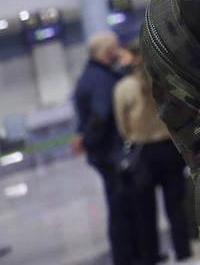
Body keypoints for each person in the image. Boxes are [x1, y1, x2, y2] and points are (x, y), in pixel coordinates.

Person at [113, 38, 191, 264]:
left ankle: (150, 257)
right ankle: (183, 253)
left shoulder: (124, 88)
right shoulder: (166, 79)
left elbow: (122, 126)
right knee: (176, 207)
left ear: (135, 57)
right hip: (170, 148)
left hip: (142, 154)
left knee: (144, 212)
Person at [72, 32, 135, 265]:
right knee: (120, 207)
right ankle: (126, 258)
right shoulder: (100, 79)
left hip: (105, 153)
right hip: (111, 153)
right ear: (109, 52)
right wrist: (86, 141)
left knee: (120, 205)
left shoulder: (91, 75)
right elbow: (100, 116)